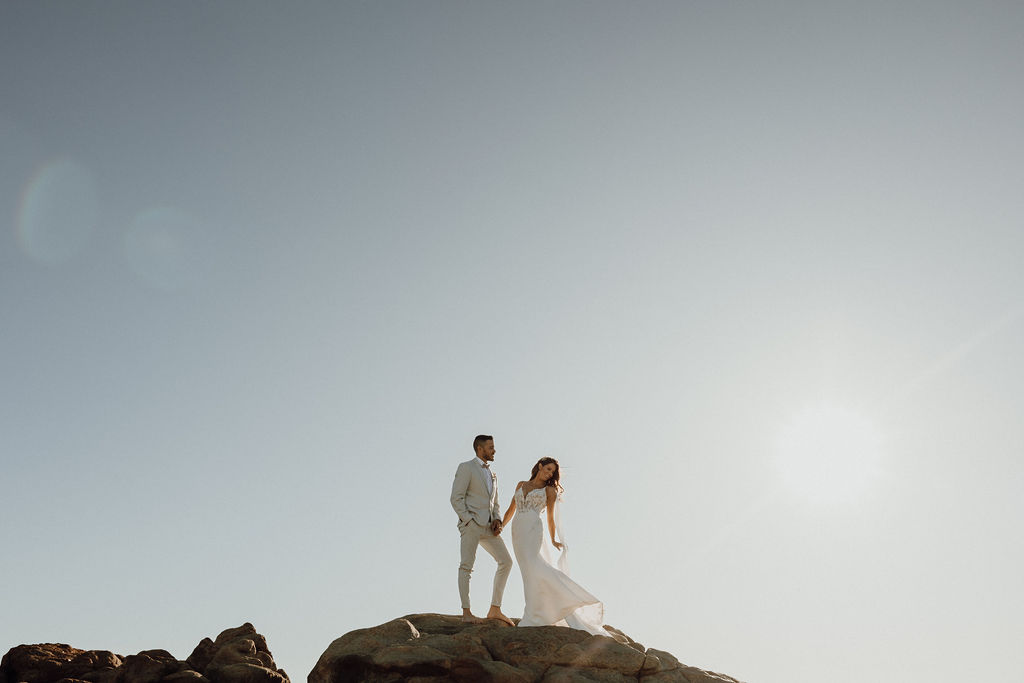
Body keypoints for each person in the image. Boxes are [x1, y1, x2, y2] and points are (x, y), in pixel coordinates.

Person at [501, 457, 606, 635]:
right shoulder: (521, 484)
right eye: (548, 469)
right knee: (528, 573)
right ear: (540, 466)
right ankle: (536, 612)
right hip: (517, 531)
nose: (550, 474)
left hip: (533, 529)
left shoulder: (549, 490)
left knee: (536, 567)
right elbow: (511, 509)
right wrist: (501, 527)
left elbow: (550, 517)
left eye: (553, 472)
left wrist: (553, 539)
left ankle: (566, 600)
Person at [450, 434, 515, 625]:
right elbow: (456, 497)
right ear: (480, 449)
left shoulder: (493, 474)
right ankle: (466, 613)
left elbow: (495, 503)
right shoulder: (466, 467)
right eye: (491, 447)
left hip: (489, 528)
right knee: (466, 566)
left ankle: (495, 609)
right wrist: (468, 520)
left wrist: (497, 520)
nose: (494, 450)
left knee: (506, 562)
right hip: (471, 525)